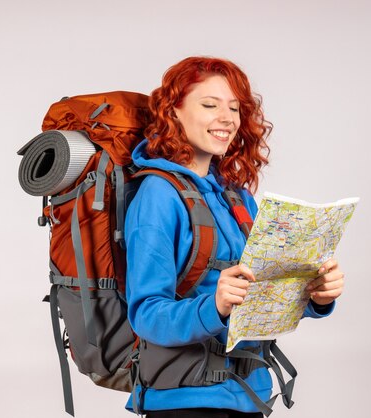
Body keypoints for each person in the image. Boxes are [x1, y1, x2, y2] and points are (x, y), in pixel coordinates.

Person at [124, 56, 345, 418]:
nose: (227, 118)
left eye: (234, 108)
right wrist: (216, 306)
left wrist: (315, 295)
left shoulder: (236, 195)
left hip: (249, 394)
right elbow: (147, 316)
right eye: (209, 105)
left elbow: (263, 294)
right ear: (174, 112)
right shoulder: (157, 195)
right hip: (185, 401)